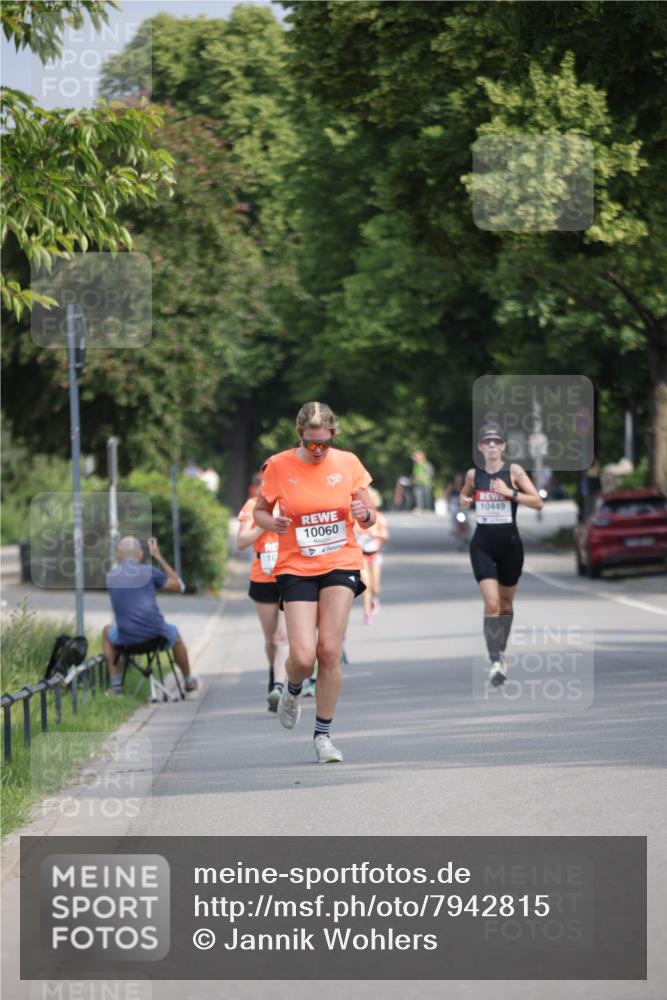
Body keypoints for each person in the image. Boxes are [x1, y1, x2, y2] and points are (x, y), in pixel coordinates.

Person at [253, 401, 375, 763]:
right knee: (303, 657)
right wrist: (269, 523)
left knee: (328, 652)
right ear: (300, 437)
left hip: (340, 562)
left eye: (324, 442)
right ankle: (292, 689)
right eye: (311, 444)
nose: (318, 450)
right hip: (296, 566)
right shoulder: (278, 466)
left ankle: (323, 736)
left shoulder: (348, 463)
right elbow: (261, 509)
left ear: (332, 435)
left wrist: (363, 512)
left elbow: (368, 517)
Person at [459, 423, 543, 686]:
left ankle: (501, 651)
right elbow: (464, 495)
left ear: (503, 446)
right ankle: (495, 659)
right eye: (488, 441)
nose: (493, 445)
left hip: (511, 546)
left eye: (497, 441)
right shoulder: (474, 475)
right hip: (482, 545)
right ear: (481, 446)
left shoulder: (514, 471)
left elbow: (538, 501)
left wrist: (511, 493)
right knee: (492, 603)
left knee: (506, 606)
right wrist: (464, 501)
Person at [103, 536, 200, 695]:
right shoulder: (149, 572)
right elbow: (180, 587)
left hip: (126, 640)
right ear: (141, 554)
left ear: (118, 556)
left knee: (106, 631)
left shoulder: (110, 577)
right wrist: (158, 556)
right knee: (175, 635)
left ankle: (115, 686)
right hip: (156, 637)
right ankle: (189, 682)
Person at [236, 466, 289, 712]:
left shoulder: (291, 501)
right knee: (270, 639)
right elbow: (240, 542)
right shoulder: (251, 505)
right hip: (262, 576)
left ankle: (279, 686)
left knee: (282, 637)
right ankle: (273, 673)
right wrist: (263, 524)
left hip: (290, 575)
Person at [354, 486, 390, 624]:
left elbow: (386, 535)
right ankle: (367, 612)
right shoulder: (356, 518)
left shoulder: (379, 518)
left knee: (375, 587)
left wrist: (375, 534)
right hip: (361, 555)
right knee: (366, 585)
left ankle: (374, 599)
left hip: (375, 555)